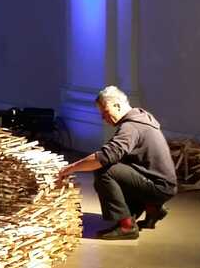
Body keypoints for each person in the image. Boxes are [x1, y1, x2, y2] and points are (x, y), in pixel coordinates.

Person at [57, 86, 177, 240]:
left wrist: (71, 168)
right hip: (162, 183)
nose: (103, 118)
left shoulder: (131, 127)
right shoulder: (141, 118)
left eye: (105, 112)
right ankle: (152, 208)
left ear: (117, 105)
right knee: (118, 167)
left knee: (104, 171)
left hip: (158, 187)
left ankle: (127, 226)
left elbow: (105, 157)